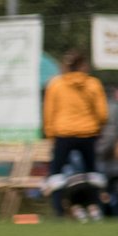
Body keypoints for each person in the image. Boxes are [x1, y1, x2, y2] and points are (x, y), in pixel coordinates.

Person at [43, 49, 107, 177]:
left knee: (57, 172)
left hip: (63, 134)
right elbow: (102, 113)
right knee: (91, 171)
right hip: (88, 134)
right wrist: (98, 127)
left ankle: (58, 197)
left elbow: (49, 112)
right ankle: (93, 196)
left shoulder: (56, 84)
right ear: (83, 65)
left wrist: (50, 135)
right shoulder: (93, 84)